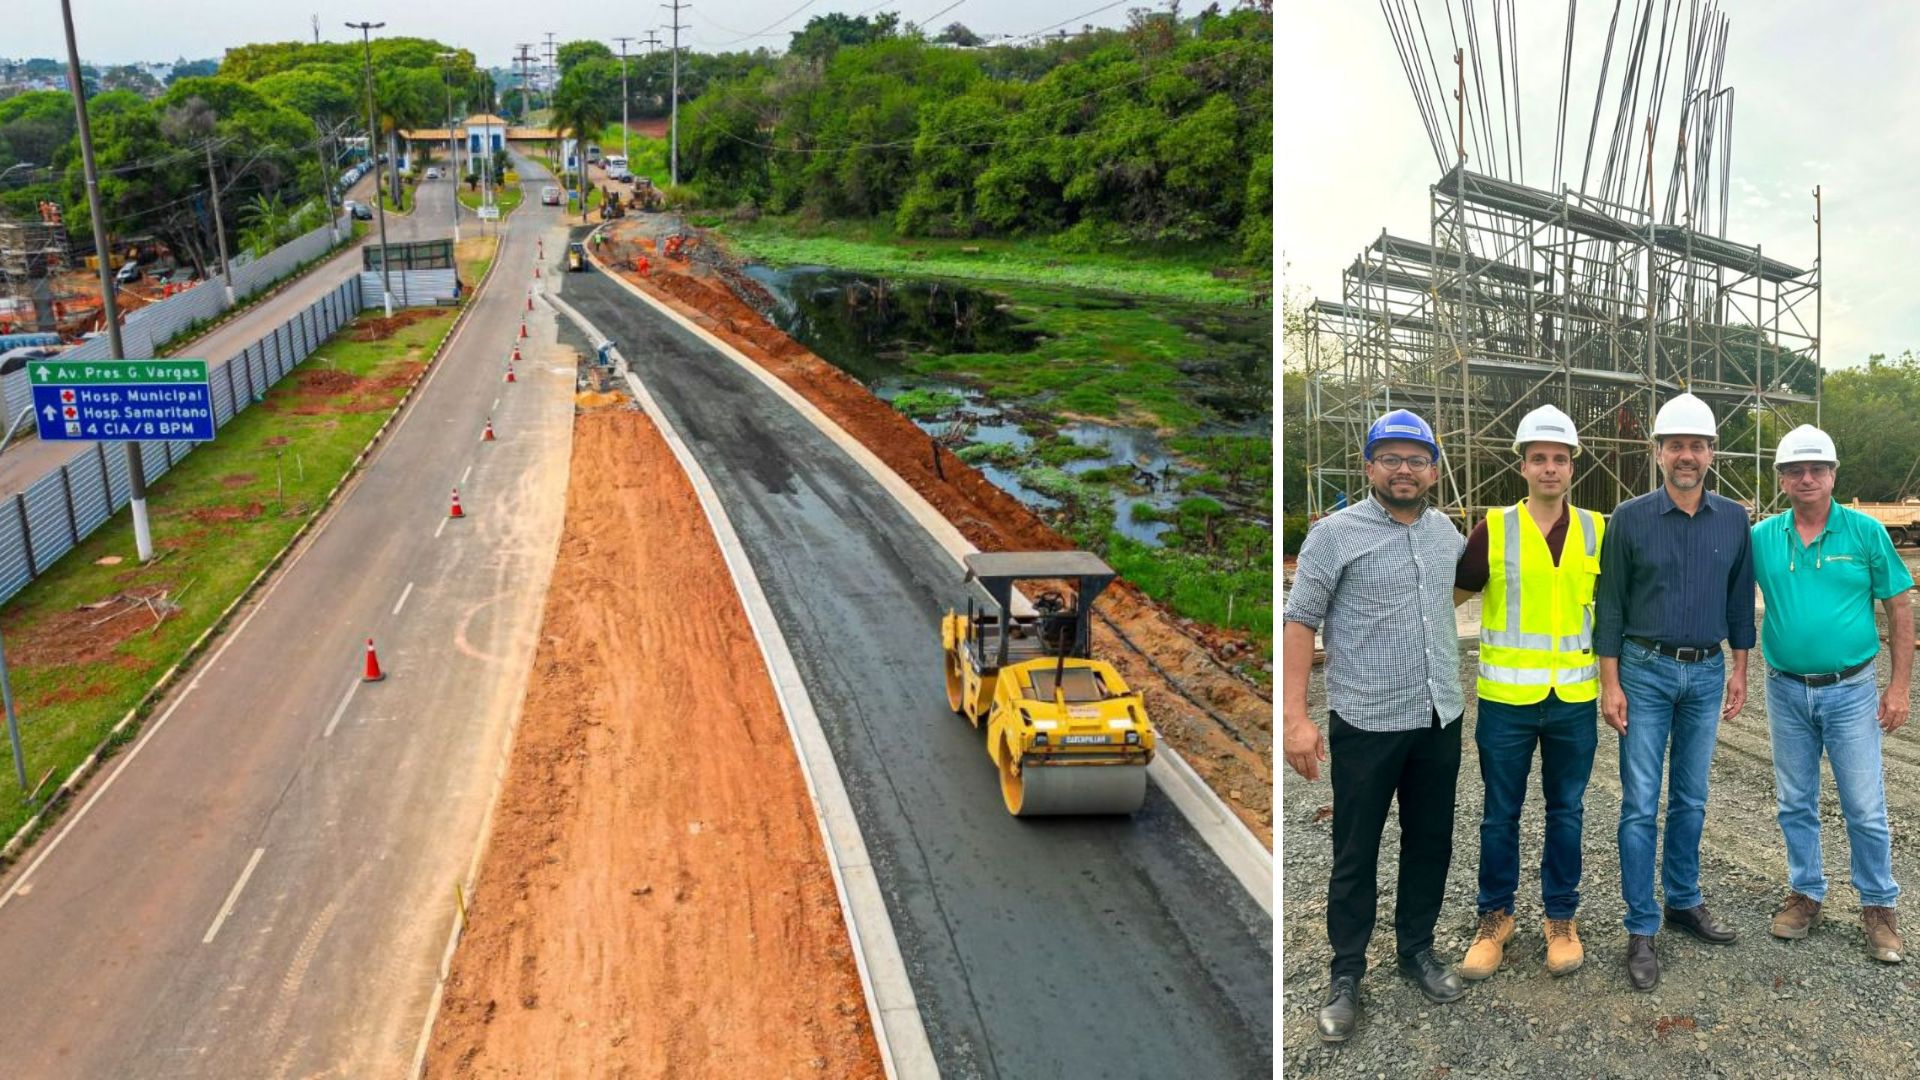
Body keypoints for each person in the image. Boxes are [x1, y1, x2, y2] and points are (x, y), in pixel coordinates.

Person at [1283, 408, 1468, 1044]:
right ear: (1369, 467)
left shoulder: (1447, 534)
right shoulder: (1335, 534)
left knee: (1430, 841)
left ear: (1434, 470)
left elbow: (1458, 596)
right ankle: (1346, 974)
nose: (1404, 469)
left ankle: (1416, 950)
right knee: (1355, 850)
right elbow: (1300, 620)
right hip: (1367, 720)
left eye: (1417, 459)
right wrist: (1294, 716)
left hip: (1439, 714)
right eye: (1391, 458)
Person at [1594, 392, 1756, 991]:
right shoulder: (1630, 518)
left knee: (1691, 797)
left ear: (1711, 453)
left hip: (1707, 670)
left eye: (1697, 445)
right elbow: (1609, 605)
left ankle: (1682, 901)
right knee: (1640, 803)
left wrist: (1740, 668)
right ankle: (1640, 927)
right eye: (1675, 446)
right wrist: (1609, 683)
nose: (1686, 455)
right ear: (1658, 452)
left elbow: (1741, 600)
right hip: (1644, 669)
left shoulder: (1735, 519)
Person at [1453, 405, 1605, 980]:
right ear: (1522, 466)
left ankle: (1560, 918)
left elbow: (1609, 612)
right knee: (1500, 814)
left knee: (1567, 811)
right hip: (1506, 703)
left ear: (1572, 467)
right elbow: (1454, 597)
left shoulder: (1596, 529)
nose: (1549, 468)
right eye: (1538, 459)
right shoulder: (1493, 529)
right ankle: (1495, 918)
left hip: (1572, 700)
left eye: (1559, 459)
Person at [1751, 425, 1911, 963]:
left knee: (1864, 805)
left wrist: (1898, 686)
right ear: (1782, 479)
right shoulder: (1763, 538)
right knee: (1795, 801)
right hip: (1785, 690)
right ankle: (1806, 892)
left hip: (1851, 691)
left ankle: (1878, 905)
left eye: (1817, 468)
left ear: (1833, 475)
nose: (1807, 477)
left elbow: (1899, 608)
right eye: (1795, 470)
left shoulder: (1866, 534)